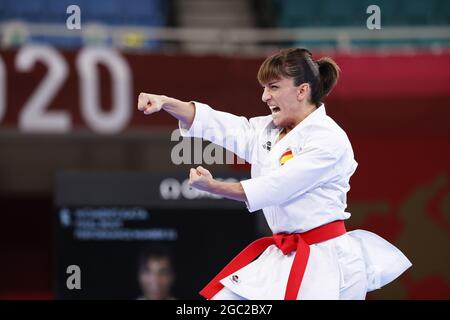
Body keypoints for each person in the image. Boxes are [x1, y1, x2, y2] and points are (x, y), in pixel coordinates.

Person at [137, 48, 412, 300]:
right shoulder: (267, 130)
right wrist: (165, 102)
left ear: (302, 91)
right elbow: (220, 125)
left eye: (273, 87)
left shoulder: (329, 139)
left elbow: (278, 186)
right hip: (283, 256)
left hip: (328, 263)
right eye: (264, 88)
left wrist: (215, 187)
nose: (265, 96)